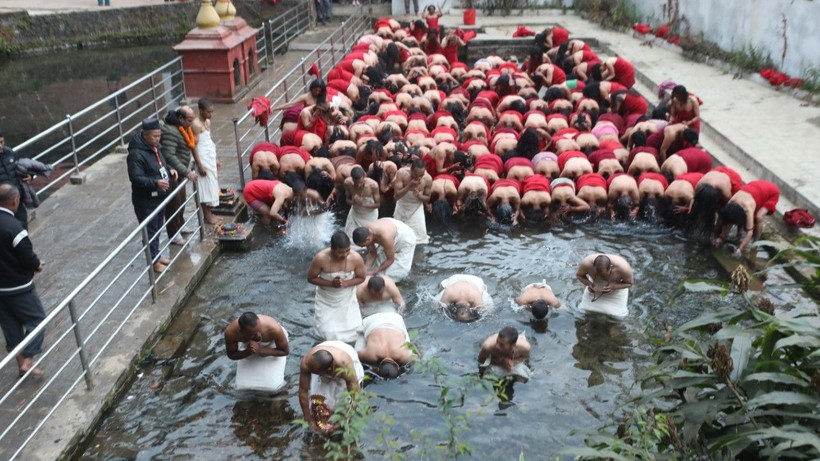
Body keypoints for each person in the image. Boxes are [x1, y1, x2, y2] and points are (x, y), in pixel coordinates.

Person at [0, 184, 46, 377]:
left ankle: (22, 366)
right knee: (38, 320)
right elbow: (27, 256)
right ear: (14, 201)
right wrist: (37, 265)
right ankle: (27, 359)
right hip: (18, 287)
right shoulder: (14, 227)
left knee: (11, 328)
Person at [127, 117, 178, 273]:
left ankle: (156, 255)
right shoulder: (136, 154)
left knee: (157, 228)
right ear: (145, 135)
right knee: (150, 231)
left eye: (159, 136)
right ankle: (154, 263)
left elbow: (160, 163)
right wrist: (155, 182)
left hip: (159, 197)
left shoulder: (155, 147)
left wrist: (169, 169)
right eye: (154, 136)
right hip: (146, 200)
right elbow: (136, 178)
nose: (158, 139)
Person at [307, 231, 366, 343]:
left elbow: (362, 277)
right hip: (326, 298)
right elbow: (311, 278)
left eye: (347, 251)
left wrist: (345, 283)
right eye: (340, 252)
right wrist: (331, 284)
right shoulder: (320, 258)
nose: (344, 255)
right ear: (332, 249)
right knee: (325, 333)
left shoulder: (356, 258)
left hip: (347, 297)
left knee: (353, 330)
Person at [298, 341, 364, 434]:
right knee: (316, 401)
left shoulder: (345, 364)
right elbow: (303, 392)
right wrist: (308, 419)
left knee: (343, 402)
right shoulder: (307, 363)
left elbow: (355, 395)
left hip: (345, 357)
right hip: (324, 358)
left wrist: (343, 420)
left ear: (330, 370)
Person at [161, 106, 201, 246]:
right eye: (189, 120)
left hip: (181, 172)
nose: (191, 123)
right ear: (180, 118)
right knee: (174, 204)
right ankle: (174, 234)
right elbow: (169, 156)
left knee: (182, 201)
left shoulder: (183, 128)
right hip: (174, 174)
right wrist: (186, 171)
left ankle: (180, 225)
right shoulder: (171, 132)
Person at [224, 312, 290, 391]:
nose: (259, 335)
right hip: (249, 346)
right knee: (241, 387)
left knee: (273, 387)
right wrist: (248, 352)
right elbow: (231, 355)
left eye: (259, 330)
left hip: (273, 343)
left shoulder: (274, 328)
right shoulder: (231, 332)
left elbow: (285, 351)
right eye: (254, 334)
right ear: (241, 332)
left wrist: (261, 350)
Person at [714, 180, 780, 254]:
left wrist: (740, 248)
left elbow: (749, 232)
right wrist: (721, 237)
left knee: (759, 217)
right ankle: (730, 236)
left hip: (771, 191)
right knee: (731, 217)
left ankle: (756, 242)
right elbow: (728, 219)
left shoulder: (748, 209)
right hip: (754, 186)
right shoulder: (732, 201)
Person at [352, 218, 417, 281]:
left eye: (363, 245)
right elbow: (372, 253)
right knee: (376, 265)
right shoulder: (366, 232)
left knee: (394, 272)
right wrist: (366, 268)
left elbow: (390, 260)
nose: (362, 247)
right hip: (390, 228)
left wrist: (373, 271)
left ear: (368, 239)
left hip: (405, 239)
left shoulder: (385, 237)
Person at [356, 312, 415, 379]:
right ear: (377, 368)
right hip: (371, 321)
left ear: (398, 367)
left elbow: (417, 356)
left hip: (396, 319)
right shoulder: (371, 356)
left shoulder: (405, 357)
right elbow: (354, 354)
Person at [575, 254, 634, 318]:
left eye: (603, 275)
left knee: (618, 316)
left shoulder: (624, 267)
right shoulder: (586, 263)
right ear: (593, 267)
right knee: (582, 311)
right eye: (597, 274)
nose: (600, 277)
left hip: (617, 289)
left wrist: (613, 286)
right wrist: (589, 284)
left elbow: (629, 283)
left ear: (611, 268)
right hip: (594, 288)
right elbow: (579, 275)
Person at [192, 99, 222, 225]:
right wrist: (199, 164)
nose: (211, 114)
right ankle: (207, 216)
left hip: (209, 155)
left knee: (212, 185)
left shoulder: (208, 122)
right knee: (204, 186)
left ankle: (210, 212)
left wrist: (215, 158)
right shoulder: (196, 125)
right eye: (208, 112)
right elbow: (193, 146)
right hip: (202, 158)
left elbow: (209, 140)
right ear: (201, 111)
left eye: (212, 112)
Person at [392, 159, 432, 244]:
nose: (418, 178)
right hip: (402, 206)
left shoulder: (428, 179)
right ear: (411, 170)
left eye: (421, 175)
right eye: (415, 174)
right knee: (399, 238)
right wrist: (409, 186)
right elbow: (396, 196)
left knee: (419, 240)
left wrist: (419, 196)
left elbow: (428, 198)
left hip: (416, 209)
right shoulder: (402, 173)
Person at [0, 131, 31, 228]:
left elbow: (20, 169)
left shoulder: (9, 152)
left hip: (17, 200)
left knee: (23, 229)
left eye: (2, 142)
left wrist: (30, 176)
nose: (0, 146)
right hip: (3, 206)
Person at [344, 166, 381, 239]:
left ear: (364, 176)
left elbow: (378, 205)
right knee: (351, 238)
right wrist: (354, 202)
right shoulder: (347, 183)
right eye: (356, 183)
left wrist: (362, 204)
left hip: (369, 215)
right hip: (355, 213)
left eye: (361, 182)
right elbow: (347, 200)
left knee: (368, 237)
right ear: (352, 179)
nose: (359, 185)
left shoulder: (373, 185)